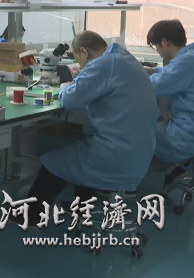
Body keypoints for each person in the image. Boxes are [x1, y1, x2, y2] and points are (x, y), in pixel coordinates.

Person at [23, 31, 158, 222]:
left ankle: (30, 217)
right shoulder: (125, 59)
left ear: (84, 52)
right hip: (140, 151)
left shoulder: (102, 65)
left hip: (115, 153)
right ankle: (82, 209)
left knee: (52, 163)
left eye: (78, 59)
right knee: (82, 151)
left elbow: (71, 101)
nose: (80, 65)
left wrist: (64, 88)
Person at [144, 19, 194, 189]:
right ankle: (175, 169)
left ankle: (129, 186)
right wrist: (153, 70)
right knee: (153, 121)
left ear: (165, 42)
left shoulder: (186, 62)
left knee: (136, 131)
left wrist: (130, 78)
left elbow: (155, 86)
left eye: (156, 46)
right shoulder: (189, 55)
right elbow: (172, 72)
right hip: (187, 124)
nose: (157, 51)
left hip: (186, 132)